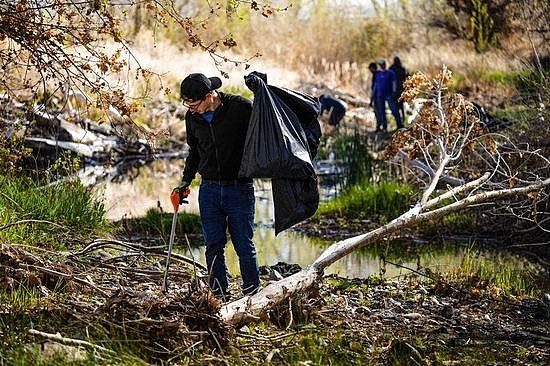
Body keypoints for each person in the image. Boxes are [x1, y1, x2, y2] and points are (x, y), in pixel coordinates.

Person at [174, 73, 260, 301]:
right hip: (209, 190)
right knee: (213, 246)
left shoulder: (241, 108)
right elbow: (194, 151)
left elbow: (265, 126)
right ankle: (219, 296)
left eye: (194, 104)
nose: (191, 109)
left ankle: (252, 296)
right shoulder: (192, 118)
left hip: (239, 188)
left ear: (209, 96)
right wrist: (185, 180)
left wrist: (263, 91)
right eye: (187, 105)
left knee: (244, 245)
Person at [373, 59, 403, 131]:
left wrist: (394, 92)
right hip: (380, 95)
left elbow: (394, 83)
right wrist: (373, 95)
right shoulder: (378, 74)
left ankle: (399, 125)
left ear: (384, 64)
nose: (381, 66)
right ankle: (384, 127)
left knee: (394, 110)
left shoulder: (390, 72)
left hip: (389, 95)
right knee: (382, 112)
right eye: (380, 65)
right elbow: (376, 85)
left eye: (382, 64)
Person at [389, 56, 409, 124]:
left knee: (396, 107)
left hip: (395, 91)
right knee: (401, 106)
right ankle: (402, 120)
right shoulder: (402, 68)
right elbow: (407, 78)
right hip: (401, 90)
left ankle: (399, 122)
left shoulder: (391, 69)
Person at [368, 62, 383, 131]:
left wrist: (371, 99)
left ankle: (379, 126)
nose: (370, 70)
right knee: (380, 111)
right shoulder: (380, 74)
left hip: (377, 96)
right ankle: (380, 125)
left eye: (370, 69)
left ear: (373, 68)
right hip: (380, 95)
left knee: (378, 112)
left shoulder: (376, 75)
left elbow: (374, 88)